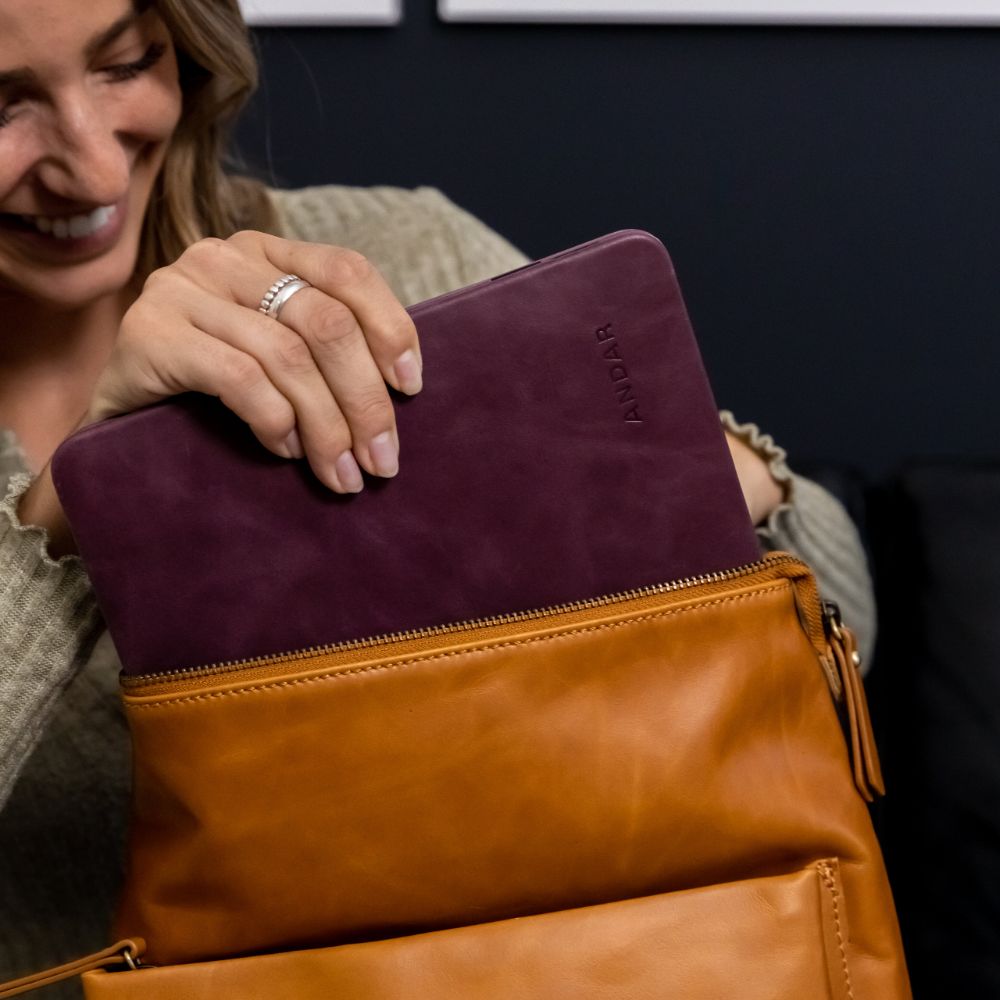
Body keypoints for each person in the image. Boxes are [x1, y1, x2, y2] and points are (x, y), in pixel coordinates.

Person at [0, 0, 875, 992]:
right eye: (0, 105)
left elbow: (844, 615)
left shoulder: (392, 261)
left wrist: (686, 478)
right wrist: (82, 494)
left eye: (125, 63)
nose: (92, 169)